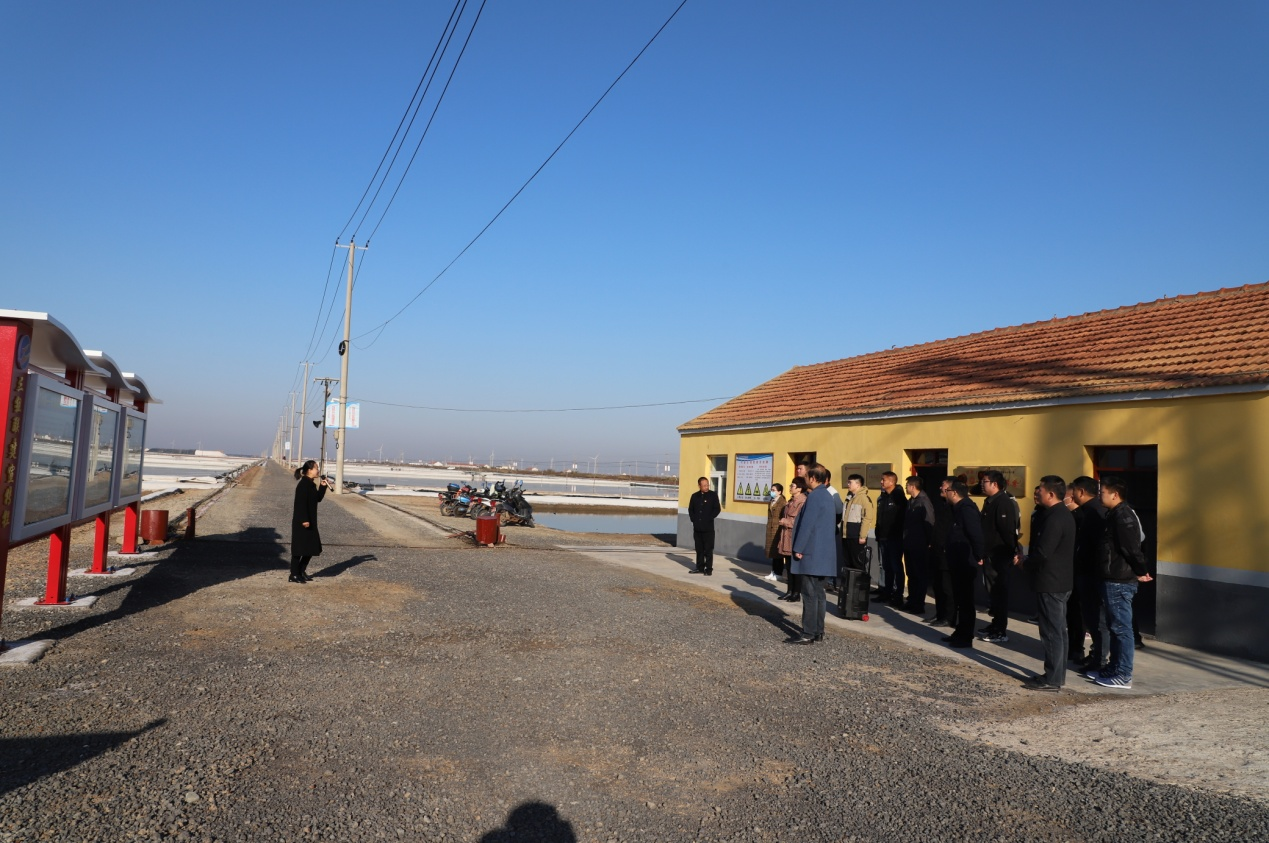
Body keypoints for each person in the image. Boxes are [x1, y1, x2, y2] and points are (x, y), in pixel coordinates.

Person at [1086, 477, 1152, 689]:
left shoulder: (1124, 516)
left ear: (1115, 494)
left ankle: (1123, 674)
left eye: (1103, 492)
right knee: (1114, 627)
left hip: (1120, 580)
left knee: (1122, 629)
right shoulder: (1114, 514)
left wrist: (1141, 570)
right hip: (1112, 578)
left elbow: (1132, 549)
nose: (1100, 496)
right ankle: (1114, 668)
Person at [1019, 475, 1075, 692]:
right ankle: (1056, 675)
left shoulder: (1055, 518)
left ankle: (1052, 679)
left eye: (1040, 490)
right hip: (1059, 580)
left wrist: (1025, 562)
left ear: (1051, 494)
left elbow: (1043, 552)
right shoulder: (1060, 514)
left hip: (1051, 582)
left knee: (1052, 632)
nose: (1037, 493)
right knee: (1058, 630)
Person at [788, 465, 837, 644]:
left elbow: (807, 525)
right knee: (819, 594)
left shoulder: (815, 496)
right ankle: (818, 631)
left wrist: (799, 548)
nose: (805, 479)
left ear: (813, 478)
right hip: (822, 553)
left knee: (809, 594)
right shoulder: (827, 495)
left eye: (806, 476)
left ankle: (808, 633)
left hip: (811, 553)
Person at [1070, 476, 1109, 673]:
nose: (1071, 495)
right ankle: (1095, 655)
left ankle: (1099, 660)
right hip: (1085, 572)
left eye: (1073, 491)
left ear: (1081, 492)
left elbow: (1097, 547)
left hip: (1092, 574)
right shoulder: (1088, 511)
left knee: (1097, 620)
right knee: (1091, 619)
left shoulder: (1095, 512)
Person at [977, 471, 1020, 643]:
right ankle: (995, 624)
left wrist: (1012, 551)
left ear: (995, 484)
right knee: (992, 593)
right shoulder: (990, 501)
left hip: (1000, 556)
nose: (982, 484)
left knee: (999, 592)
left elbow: (1008, 531)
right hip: (990, 554)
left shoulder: (1004, 502)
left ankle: (1000, 630)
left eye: (985, 481)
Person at [943, 481, 985, 648]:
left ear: (954, 493)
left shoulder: (967, 509)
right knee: (960, 598)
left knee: (966, 601)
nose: (944, 492)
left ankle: (966, 636)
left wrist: (979, 555)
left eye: (947, 490)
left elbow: (976, 534)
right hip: (957, 560)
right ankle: (959, 631)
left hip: (965, 561)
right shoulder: (957, 509)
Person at [291, 459, 331, 583]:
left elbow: (317, 498)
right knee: (299, 549)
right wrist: (304, 520)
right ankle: (294, 574)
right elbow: (300, 504)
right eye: (316, 468)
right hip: (302, 522)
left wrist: (323, 487)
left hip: (311, 521)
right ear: (309, 470)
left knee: (311, 547)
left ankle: (301, 571)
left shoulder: (311, 484)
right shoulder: (303, 485)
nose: (318, 471)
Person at [902, 475, 934, 616]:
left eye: (907, 485)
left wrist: (929, 542)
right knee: (911, 574)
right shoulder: (911, 501)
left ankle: (919, 604)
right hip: (909, 543)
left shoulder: (924, 502)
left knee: (920, 575)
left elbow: (929, 523)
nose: (906, 487)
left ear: (913, 486)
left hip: (920, 544)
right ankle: (911, 600)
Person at [926, 477, 956, 627]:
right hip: (937, 551)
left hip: (948, 554)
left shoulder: (957, 508)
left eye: (943, 485)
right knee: (937, 586)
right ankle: (940, 614)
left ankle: (949, 617)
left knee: (947, 587)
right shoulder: (943, 505)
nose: (940, 488)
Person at [875, 471, 908, 607]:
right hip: (883, 537)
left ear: (892, 482)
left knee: (896, 567)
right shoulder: (883, 497)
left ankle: (898, 595)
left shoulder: (898, 498)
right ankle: (886, 593)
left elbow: (901, 519)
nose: (881, 482)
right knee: (886, 567)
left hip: (895, 538)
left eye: (883, 480)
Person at [841, 474, 875, 586]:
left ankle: (858, 588)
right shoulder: (849, 497)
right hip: (846, 535)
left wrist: (862, 536)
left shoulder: (864, 498)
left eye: (850, 482)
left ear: (858, 484)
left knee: (857, 563)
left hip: (856, 536)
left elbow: (867, 518)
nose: (848, 484)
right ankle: (848, 588)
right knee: (848, 563)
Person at [778, 478, 807, 601]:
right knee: (788, 565)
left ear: (799, 488)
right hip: (786, 536)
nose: (790, 487)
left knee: (795, 566)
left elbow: (799, 521)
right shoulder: (791, 500)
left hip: (794, 536)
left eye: (792, 486)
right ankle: (789, 590)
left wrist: (785, 521)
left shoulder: (803, 501)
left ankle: (796, 593)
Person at [688, 477, 721, 575]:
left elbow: (717, 509)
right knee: (699, 549)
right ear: (699, 486)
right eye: (704, 485)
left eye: (707, 485)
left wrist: (710, 518)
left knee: (708, 550)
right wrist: (694, 520)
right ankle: (700, 567)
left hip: (708, 528)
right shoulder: (695, 496)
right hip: (697, 528)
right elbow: (691, 509)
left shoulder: (713, 495)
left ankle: (709, 569)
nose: (706, 487)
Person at [764, 483, 787, 582]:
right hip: (771, 529)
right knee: (772, 552)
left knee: (778, 553)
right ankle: (773, 571)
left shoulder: (782, 503)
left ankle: (778, 573)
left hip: (778, 529)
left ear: (779, 492)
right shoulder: (771, 501)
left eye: (774, 490)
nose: (771, 492)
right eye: (771, 490)